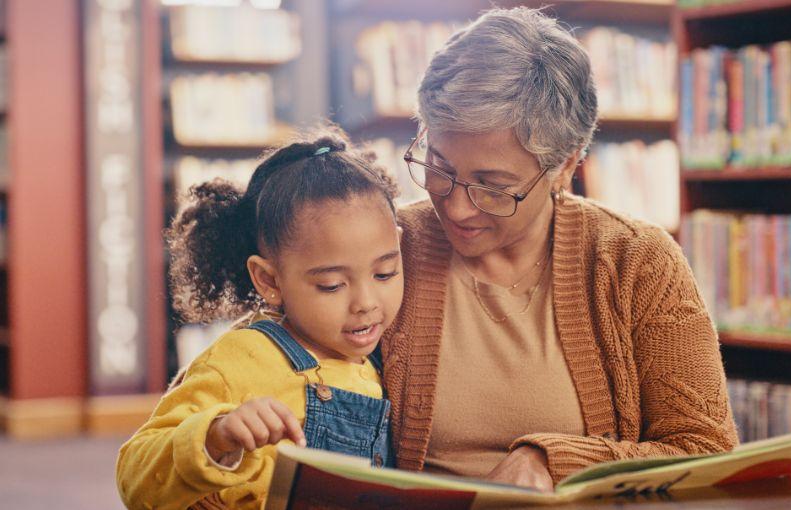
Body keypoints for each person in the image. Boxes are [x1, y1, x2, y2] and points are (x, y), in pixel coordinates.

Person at [381, 7, 738, 492]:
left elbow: (706, 448)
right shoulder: (384, 244)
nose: (458, 208)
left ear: (565, 165)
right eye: (439, 168)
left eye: (494, 186)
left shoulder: (637, 261)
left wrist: (553, 461)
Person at [116, 128, 403, 509]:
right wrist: (216, 436)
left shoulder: (393, 350)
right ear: (269, 280)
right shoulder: (242, 358)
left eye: (384, 274)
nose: (366, 302)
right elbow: (135, 478)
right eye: (332, 285)